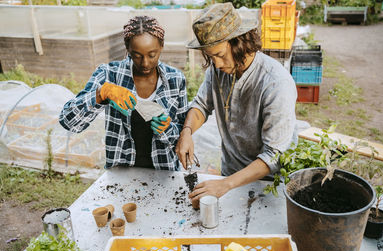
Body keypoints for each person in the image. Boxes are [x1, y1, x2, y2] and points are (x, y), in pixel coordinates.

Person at [176, 3, 298, 205]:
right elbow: (201, 105)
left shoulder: (276, 83)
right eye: (210, 56)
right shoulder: (218, 71)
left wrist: (225, 185)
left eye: (220, 55)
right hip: (230, 176)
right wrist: (187, 132)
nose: (216, 64)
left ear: (240, 43)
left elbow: (273, 156)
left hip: (268, 185)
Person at [60, 16, 188, 170]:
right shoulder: (109, 75)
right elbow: (68, 121)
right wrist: (101, 94)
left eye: (152, 55)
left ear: (161, 46)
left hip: (164, 172)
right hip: (121, 173)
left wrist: (167, 129)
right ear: (127, 49)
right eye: (137, 55)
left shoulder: (175, 80)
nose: (145, 63)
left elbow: (184, 134)